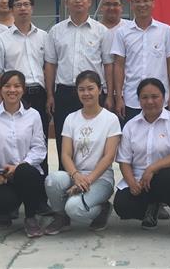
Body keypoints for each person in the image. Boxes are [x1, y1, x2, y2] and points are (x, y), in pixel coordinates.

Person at [44, 70, 121, 234]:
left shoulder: (111, 119)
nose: (86, 93)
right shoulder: (71, 118)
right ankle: (61, 217)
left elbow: (108, 157)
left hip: (100, 178)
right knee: (52, 180)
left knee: (74, 208)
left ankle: (102, 209)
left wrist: (87, 180)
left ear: (99, 90)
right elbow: (65, 154)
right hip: (76, 175)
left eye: (90, 88)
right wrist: (76, 176)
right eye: (81, 89)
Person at [113, 77, 170, 239]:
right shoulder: (131, 125)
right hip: (139, 181)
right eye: (144, 97)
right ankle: (152, 207)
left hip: (165, 178)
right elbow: (124, 161)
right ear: (138, 99)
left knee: (169, 177)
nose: (150, 101)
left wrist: (152, 168)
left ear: (164, 97)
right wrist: (132, 183)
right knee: (122, 205)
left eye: (155, 97)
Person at [0, 70, 49, 238]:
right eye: (7, 86)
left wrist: (19, 167)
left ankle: (30, 217)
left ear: (23, 89)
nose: (12, 90)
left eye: (17, 86)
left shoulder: (33, 115)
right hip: (2, 175)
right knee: (2, 200)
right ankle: (6, 211)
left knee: (26, 172)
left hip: (27, 173)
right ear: (0, 89)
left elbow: (39, 148)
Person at [0, 0, 50, 170]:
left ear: (32, 8)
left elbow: (49, 68)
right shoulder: (2, 39)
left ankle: (39, 180)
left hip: (39, 94)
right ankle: (7, 173)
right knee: (11, 139)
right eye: (18, 5)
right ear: (12, 9)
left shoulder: (44, 36)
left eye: (26, 4)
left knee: (40, 140)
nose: (23, 8)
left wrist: (50, 96)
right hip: (15, 95)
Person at [45, 0, 113, 157]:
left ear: (89, 1)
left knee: (95, 138)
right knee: (64, 139)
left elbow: (108, 65)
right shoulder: (56, 31)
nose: (78, 0)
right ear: (66, 3)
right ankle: (66, 172)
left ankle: (95, 172)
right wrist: (50, 95)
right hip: (65, 93)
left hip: (93, 93)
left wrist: (110, 95)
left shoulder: (101, 31)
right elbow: (50, 65)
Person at [111, 0, 170, 125]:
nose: (142, 4)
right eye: (137, 1)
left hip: (160, 98)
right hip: (132, 99)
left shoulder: (165, 30)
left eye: (146, 0)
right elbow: (118, 66)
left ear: (153, 3)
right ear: (131, 4)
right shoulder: (122, 32)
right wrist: (118, 97)